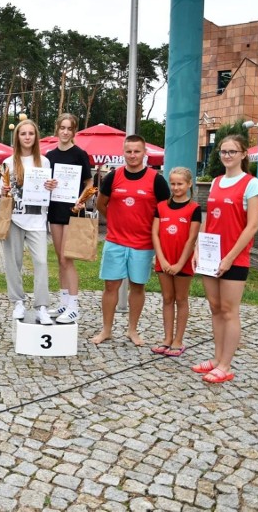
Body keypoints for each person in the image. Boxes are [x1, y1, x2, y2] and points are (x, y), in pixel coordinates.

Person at [193, 135, 258, 384]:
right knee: (215, 308)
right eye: (223, 151)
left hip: (235, 258)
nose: (227, 156)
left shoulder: (251, 184)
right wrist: (199, 248)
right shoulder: (216, 182)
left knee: (230, 311)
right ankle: (216, 358)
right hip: (212, 255)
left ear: (243, 154)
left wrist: (230, 258)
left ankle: (226, 365)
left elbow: (252, 226)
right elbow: (210, 220)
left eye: (232, 151)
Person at [92, 135, 170, 346]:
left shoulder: (156, 180)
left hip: (143, 244)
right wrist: (115, 221)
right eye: (129, 151)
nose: (133, 155)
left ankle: (132, 330)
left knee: (137, 286)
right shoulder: (113, 176)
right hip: (115, 241)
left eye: (137, 151)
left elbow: (165, 212)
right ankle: (106, 330)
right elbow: (101, 204)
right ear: (123, 153)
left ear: (145, 153)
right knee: (111, 286)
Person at [1, 120, 58, 324]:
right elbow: (2, 190)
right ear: (17, 137)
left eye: (30, 134)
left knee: (41, 262)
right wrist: (4, 191)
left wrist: (52, 185)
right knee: (13, 263)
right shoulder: (8, 162)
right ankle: (18, 301)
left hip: (37, 219)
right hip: (14, 218)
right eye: (23, 133)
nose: (27, 137)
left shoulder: (44, 162)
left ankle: (42, 306)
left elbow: (48, 189)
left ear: (36, 137)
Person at [46, 113, 93, 324]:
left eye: (69, 128)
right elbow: (46, 182)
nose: (65, 132)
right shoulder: (49, 156)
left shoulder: (80, 154)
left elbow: (89, 182)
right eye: (62, 128)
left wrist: (83, 199)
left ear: (74, 131)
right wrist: (48, 185)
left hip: (73, 210)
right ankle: (64, 302)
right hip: (54, 208)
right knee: (59, 258)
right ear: (57, 130)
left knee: (68, 258)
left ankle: (74, 305)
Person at [150, 167, 201, 357]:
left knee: (181, 299)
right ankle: (167, 338)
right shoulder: (161, 206)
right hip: (164, 260)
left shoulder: (194, 209)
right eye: (173, 183)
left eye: (180, 184)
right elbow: (155, 233)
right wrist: (161, 258)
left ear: (189, 184)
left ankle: (178, 340)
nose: (176, 187)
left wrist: (180, 263)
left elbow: (191, 238)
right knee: (167, 298)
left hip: (182, 262)